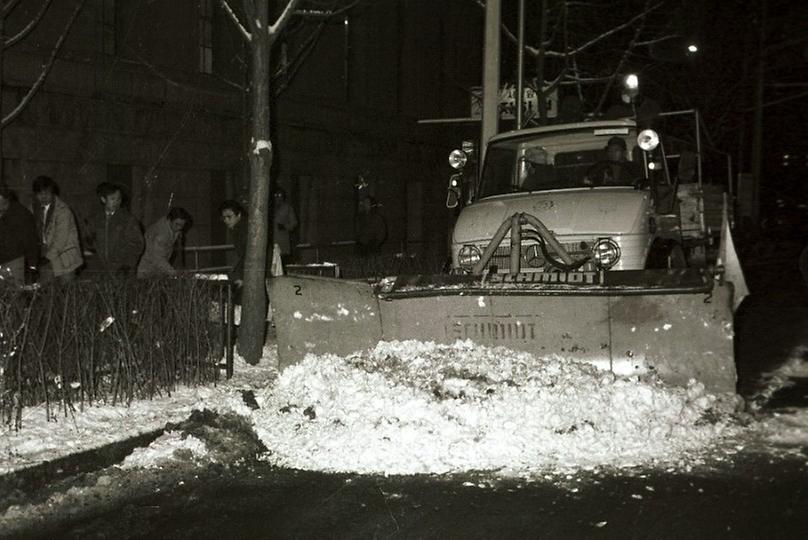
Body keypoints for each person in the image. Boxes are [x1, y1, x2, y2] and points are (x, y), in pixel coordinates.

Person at [32, 176, 83, 284]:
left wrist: (46, 258)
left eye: (47, 193)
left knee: (66, 294)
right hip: (46, 253)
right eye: (40, 194)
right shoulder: (34, 208)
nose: (43, 197)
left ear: (53, 193)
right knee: (46, 291)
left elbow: (61, 239)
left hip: (65, 256)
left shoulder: (63, 211)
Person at [87, 183, 144, 277]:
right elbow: (90, 244)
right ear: (103, 199)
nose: (116, 202)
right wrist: (93, 265)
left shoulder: (128, 220)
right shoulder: (94, 220)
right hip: (101, 271)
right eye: (112, 199)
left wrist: (127, 265)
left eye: (118, 199)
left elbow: (137, 244)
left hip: (122, 271)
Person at [137, 207, 191, 278]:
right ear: (170, 220)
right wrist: (173, 272)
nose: (179, 228)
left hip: (158, 268)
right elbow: (157, 258)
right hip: (146, 270)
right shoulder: (162, 234)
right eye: (177, 224)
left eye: (182, 225)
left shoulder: (174, 229)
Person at [0, 188, 38, 285]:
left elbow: (30, 241)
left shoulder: (21, 215)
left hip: (14, 261)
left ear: (6, 200)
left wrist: (32, 266)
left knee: (14, 294)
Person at [219, 200, 247, 295]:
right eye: (224, 218)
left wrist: (241, 276)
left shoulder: (242, 230)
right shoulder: (237, 228)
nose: (226, 221)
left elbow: (246, 254)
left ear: (238, 215)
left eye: (229, 217)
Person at [272, 187, 298, 269]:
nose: (278, 197)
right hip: (272, 240)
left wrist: (285, 226)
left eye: (280, 195)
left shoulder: (287, 208)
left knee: (282, 263)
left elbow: (294, 223)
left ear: (283, 196)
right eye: (275, 195)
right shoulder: (269, 208)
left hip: (282, 240)